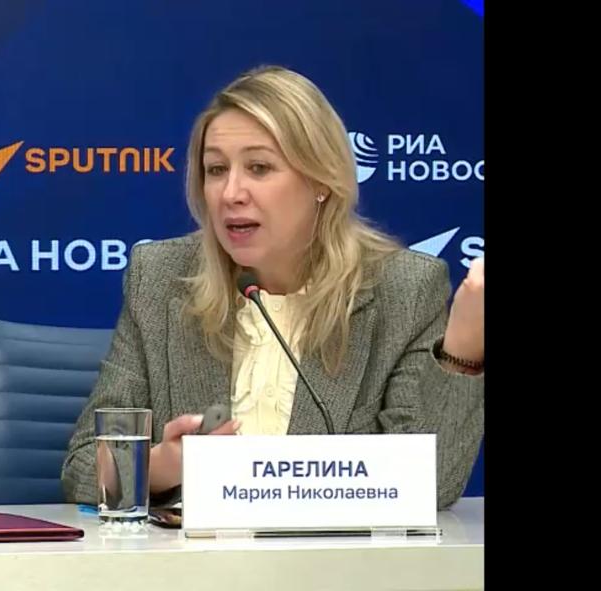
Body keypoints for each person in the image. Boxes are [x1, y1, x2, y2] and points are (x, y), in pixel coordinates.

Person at [61, 65, 483, 510]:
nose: (231, 193)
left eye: (259, 168)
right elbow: (84, 467)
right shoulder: (162, 278)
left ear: (321, 181)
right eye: (216, 169)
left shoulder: (404, 288)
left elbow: (429, 484)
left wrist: (462, 352)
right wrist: (166, 464)